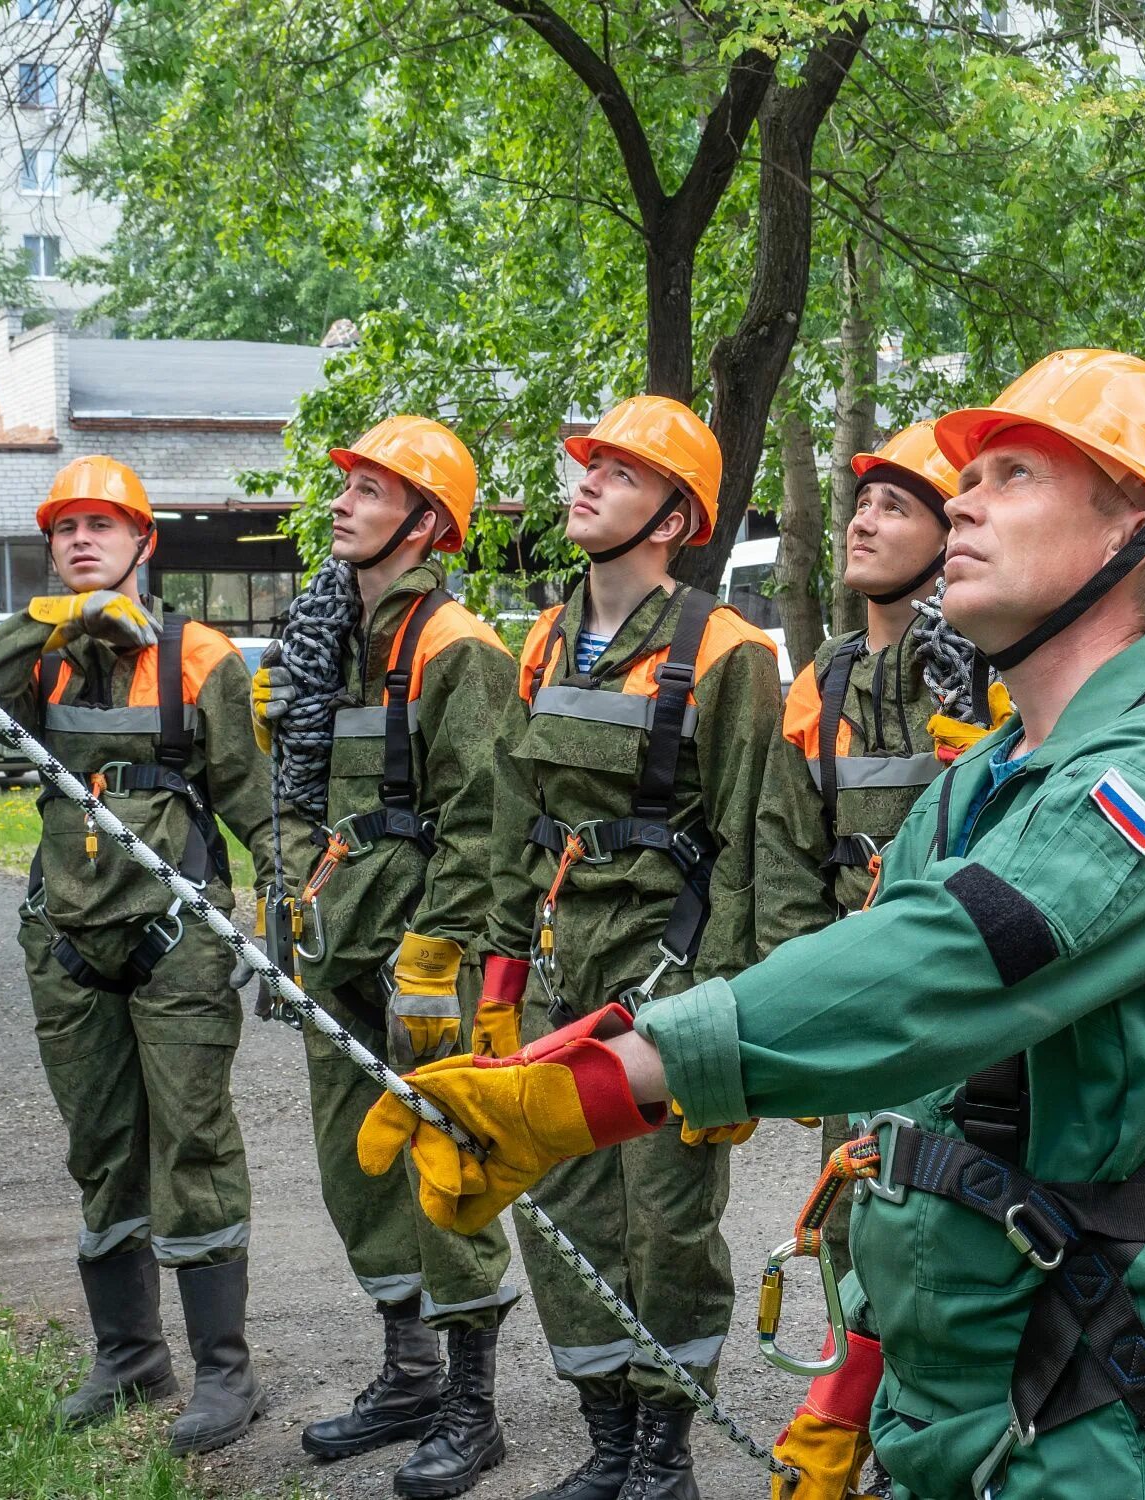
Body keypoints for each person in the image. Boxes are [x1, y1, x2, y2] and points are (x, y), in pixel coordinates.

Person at [360, 350, 1145, 1500]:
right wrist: (842, 1402)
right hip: (947, 1408)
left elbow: (942, 966)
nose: (958, 499)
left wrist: (595, 1090)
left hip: (1092, 1413)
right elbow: (915, 1118)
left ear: (1134, 533)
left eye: (1012, 476)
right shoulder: (980, 787)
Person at [476, 395, 785, 1500]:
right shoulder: (547, 638)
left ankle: (666, 1448)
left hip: (674, 975)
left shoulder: (727, 652)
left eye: (618, 469)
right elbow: (518, 821)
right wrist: (500, 977)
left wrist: (743, 1028)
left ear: (673, 515)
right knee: (562, 1203)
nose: (586, 481)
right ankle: (605, 1439)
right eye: (586, 464)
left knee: (667, 1223)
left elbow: (760, 844)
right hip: (565, 969)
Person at [0, 456, 287, 1453]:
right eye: (65, 529)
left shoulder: (198, 656)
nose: (82, 539)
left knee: (191, 1146)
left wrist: (281, 913)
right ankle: (130, 1358)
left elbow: (254, 805)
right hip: (64, 941)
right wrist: (50, 619)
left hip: (173, 943)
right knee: (101, 1150)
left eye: (103, 525)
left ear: (145, 542)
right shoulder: (42, 658)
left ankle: (227, 1373)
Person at [254, 415, 519, 1498]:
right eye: (345, 486)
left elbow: (486, 826)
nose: (342, 503)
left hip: (424, 958)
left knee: (446, 1174)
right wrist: (285, 905)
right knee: (353, 1166)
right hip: (338, 945)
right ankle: (406, 1373)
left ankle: (472, 1406)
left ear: (425, 524)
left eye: (369, 490)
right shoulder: (327, 651)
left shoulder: (460, 650)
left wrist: (433, 953)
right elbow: (297, 804)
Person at [756, 419, 996, 1283]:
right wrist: (789, 1008)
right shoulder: (825, 675)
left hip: (964, 1012)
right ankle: (853, 1414)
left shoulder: (995, 670)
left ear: (947, 538)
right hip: (855, 1002)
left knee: (951, 1234)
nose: (862, 522)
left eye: (894, 508)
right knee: (856, 1224)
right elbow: (785, 848)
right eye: (860, 504)